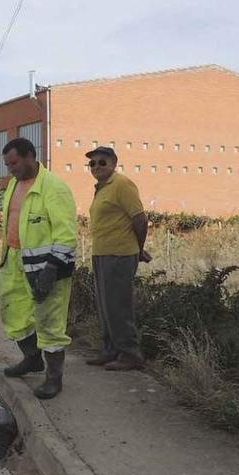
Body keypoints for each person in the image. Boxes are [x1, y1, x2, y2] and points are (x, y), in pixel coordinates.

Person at [0, 137, 78, 399]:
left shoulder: (53, 188)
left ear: (31, 156)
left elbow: (66, 235)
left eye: (15, 163)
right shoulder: (13, 185)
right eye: (8, 165)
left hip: (47, 268)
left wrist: (52, 268)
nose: (11, 169)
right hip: (15, 262)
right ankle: (32, 359)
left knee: (50, 322)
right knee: (14, 314)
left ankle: (54, 379)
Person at [84, 146, 151, 371]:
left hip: (120, 254)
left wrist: (139, 249)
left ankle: (130, 354)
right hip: (102, 253)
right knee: (105, 306)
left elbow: (140, 220)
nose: (96, 167)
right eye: (92, 164)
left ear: (113, 164)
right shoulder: (101, 189)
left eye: (101, 162)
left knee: (118, 306)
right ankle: (110, 350)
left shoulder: (122, 184)